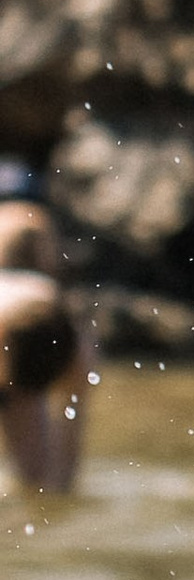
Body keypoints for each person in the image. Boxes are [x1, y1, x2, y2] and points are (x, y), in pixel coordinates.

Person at [0, 162, 86, 498]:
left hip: (32, 348)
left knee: (40, 486)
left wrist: (60, 494)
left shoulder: (79, 351)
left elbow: (70, 452)